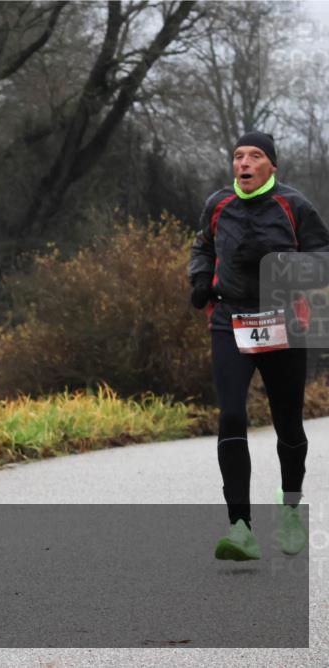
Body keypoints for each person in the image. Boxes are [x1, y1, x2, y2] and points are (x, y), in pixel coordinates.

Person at [189, 131, 329, 560]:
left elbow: (324, 254)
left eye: (254, 156)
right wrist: (200, 278)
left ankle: (289, 508)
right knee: (231, 415)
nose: (244, 163)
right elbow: (203, 246)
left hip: (283, 321)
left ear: (271, 166)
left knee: (287, 421)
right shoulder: (218, 205)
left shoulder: (294, 205)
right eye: (237, 156)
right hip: (229, 320)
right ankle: (241, 528)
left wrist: (289, 265)